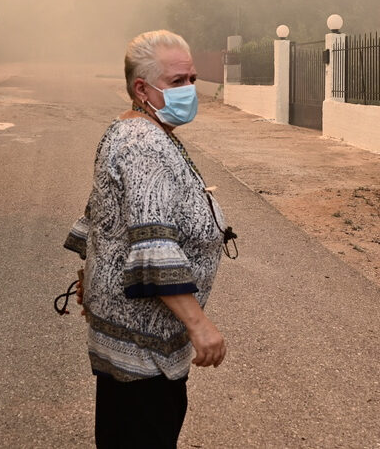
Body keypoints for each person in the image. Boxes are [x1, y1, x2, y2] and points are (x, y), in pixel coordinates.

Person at [64, 29, 233, 449]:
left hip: (132, 334)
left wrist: (91, 275)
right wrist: (199, 325)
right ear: (143, 88)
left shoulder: (137, 129)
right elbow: (152, 243)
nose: (190, 89)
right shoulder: (142, 142)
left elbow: (104, 216)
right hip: (143, 345)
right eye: (178, 82)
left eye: (192, 78)